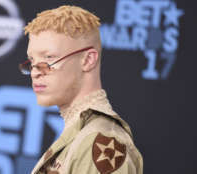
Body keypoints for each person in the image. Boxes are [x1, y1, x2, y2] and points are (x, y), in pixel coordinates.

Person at [19, 5, 143, 174]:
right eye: (32, 62)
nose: (35, 72)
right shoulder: (84, 133)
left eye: (49, 59)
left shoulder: (100, 143)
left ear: (88, 60)